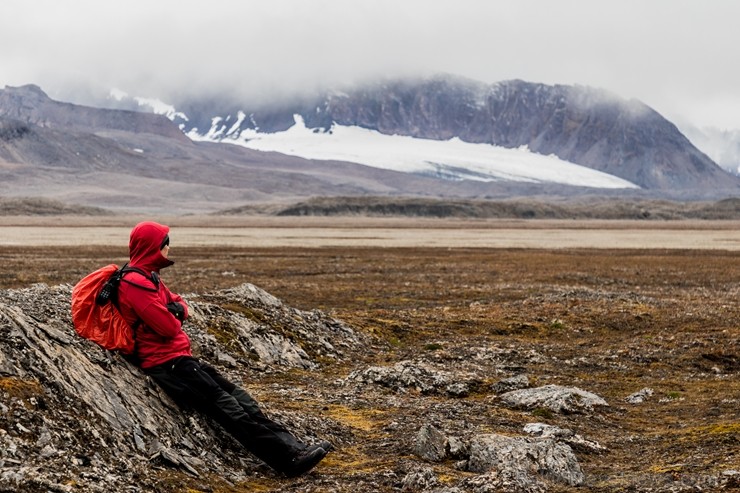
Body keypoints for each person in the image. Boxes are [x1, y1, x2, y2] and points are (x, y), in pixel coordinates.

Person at [116, 221, 330, 477]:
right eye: (166, 243)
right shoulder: (134, 283)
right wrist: (179, 313)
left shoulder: (150, 276)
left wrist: (178, 309)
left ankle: (295, 447)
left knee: (241, 398)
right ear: (154, 247)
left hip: (179, 359)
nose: (169, 248)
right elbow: (168, 328)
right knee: (229, 408)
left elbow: (178, 303)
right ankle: (287, 460)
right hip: (165, 365)